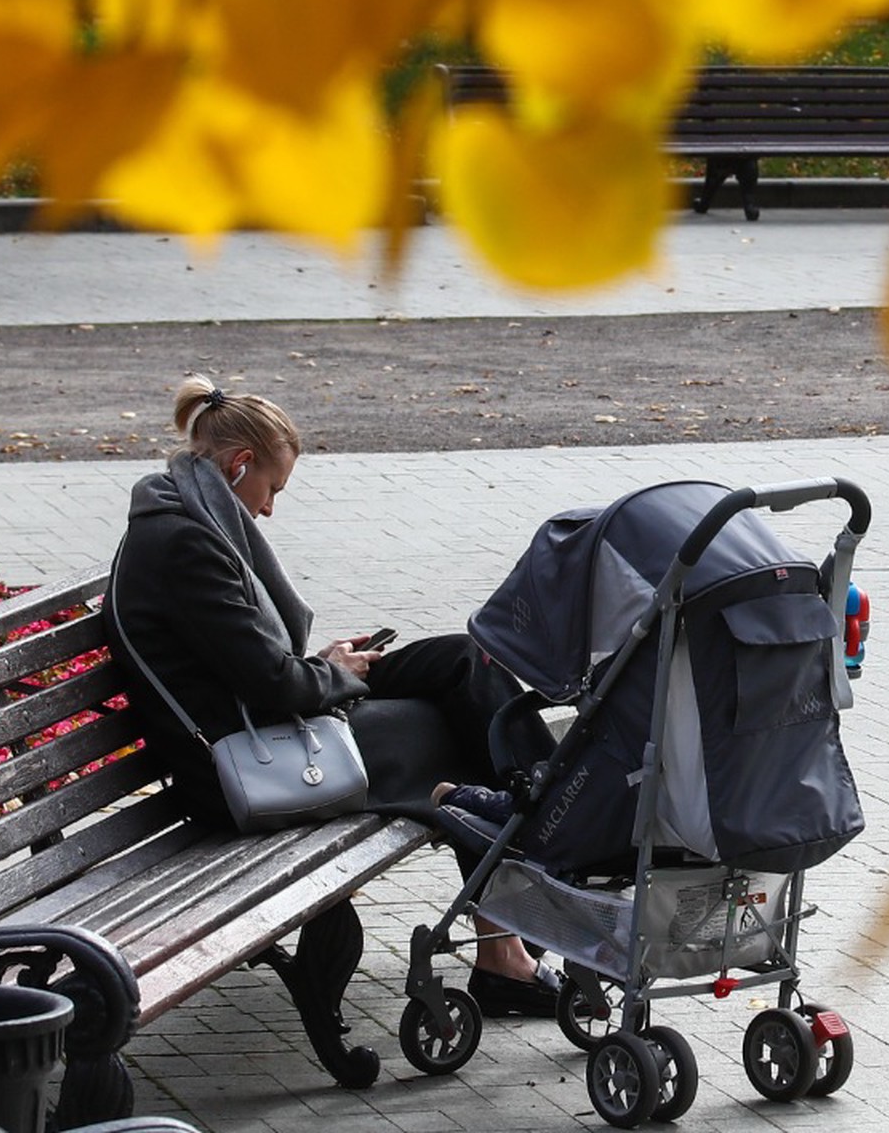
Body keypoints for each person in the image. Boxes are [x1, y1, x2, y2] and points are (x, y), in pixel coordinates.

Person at [104, 373, 559, 1018]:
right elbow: (271, 682)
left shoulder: (188, 516)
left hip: (268, 719)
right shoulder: (184, 542)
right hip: (239, 763)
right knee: (457, 730)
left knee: (462, 661)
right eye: (272, 489)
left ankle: (547, 807)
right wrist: (335, 674)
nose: (268, 509)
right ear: (239, 465)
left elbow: (256, 667)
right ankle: (539, 861)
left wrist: (330, 667)